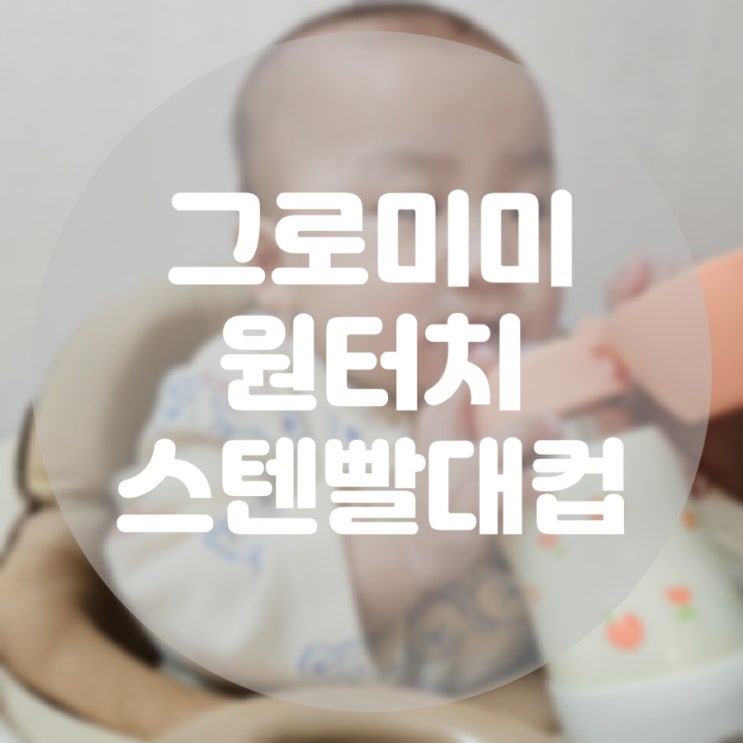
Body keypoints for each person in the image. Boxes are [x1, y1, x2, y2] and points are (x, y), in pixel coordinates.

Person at [101, 1, 653, 697]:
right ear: (276, 262)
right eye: (411, 211)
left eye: (525, 209)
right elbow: (167, 587)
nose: (490, 259)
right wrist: (398, 548)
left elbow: (648, 572)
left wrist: (651, 422)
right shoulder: (238, 394)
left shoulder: (550, 392)